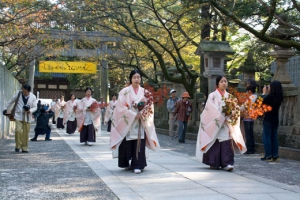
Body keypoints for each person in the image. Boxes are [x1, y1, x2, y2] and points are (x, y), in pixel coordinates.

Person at [110, 70, 160, 174]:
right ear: (131, 79)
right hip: (128, 122)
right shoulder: (124, 92)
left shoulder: (146, 93)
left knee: (139, 142)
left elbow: (150, 106)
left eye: (138, 77)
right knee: (126, 143)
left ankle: (137, 164)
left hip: (140, 121)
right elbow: (120, 107)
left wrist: (142, 113)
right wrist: (133, 114)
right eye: (134, 77)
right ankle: (126, 163)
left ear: (141, 79)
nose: (136, 79)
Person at [196, 75, 246, 171]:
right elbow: (209, 109)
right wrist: (220, 115)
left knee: (226, 141)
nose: (224, 83)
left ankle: (227, 163)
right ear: (217, 84)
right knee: (213, 140)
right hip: (215, 123)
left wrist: (233, 113)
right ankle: (213, 162)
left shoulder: (230, 97)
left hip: (226, 123)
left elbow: (235, 109)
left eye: (225, 81)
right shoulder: (212, 96)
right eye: (222, 81)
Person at [2, 84, 37, 153]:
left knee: (25, 133)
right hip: (18, 115)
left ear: (29, 91)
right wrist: (5, 108)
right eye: (23, 90)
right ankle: (18, 146)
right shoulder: (18, 94)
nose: (23, 92)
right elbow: (11, 101)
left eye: (25, 91)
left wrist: (30, 110)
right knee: (18, 131)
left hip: (27, 117)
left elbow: (35, 107)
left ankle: (24, 148)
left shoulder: (33, 97)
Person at [261, 80, 283, 161]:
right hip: (275, 119)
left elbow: (261, 103)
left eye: (269, 86)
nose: (268, 87)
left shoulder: (269, 97)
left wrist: (263, 93)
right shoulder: (279, 97)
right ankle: (275, 155)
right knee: (274, 137)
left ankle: (268, 155)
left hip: (268, 119)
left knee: (266, 137)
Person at [243, 80, 257, 154]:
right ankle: (252, 147)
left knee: (248, 133)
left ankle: (249, 148)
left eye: (248, 84)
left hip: (247, 116)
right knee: (250, 133)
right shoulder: (255, 95)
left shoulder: (250, 95)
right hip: (251, 116)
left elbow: (245, 106)